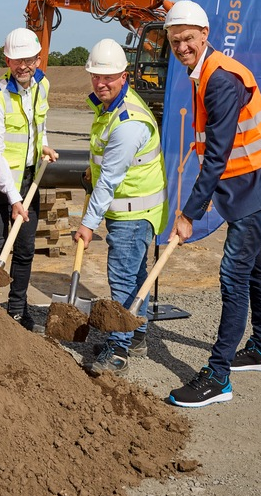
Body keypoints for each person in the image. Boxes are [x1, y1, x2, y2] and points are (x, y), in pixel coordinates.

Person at [163, 0, 261, 408]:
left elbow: (218, 156)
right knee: (256, 265)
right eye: (175, 41)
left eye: (188, 38)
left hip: (256, 183)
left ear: (205, 35)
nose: (182, 46)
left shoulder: (220, 80)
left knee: (232, 275)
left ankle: (218, 376)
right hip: (250, 181)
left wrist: (189, 214)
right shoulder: (203, 71)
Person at [73, 38, 167, 374]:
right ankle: (138, 336)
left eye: (108, 77)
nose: (100, 83)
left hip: (131, 212)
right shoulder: (112, 106)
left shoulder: (128, 122)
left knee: (123, 280)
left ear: (124, 75)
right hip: (133, 208)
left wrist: (87, 224)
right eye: (95, 77)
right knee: (136, 275)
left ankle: (118, 351)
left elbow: (110, 179)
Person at [0, 28, 59, 330]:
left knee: (24, 249)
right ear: (7, 60)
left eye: (29, 59)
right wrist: (14, 199)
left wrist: (43, 143)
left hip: (29, 180)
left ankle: (16, 310)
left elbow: (40, 121)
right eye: (16, 60)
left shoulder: (42, 85)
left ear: (38, 58)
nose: (23, 66)